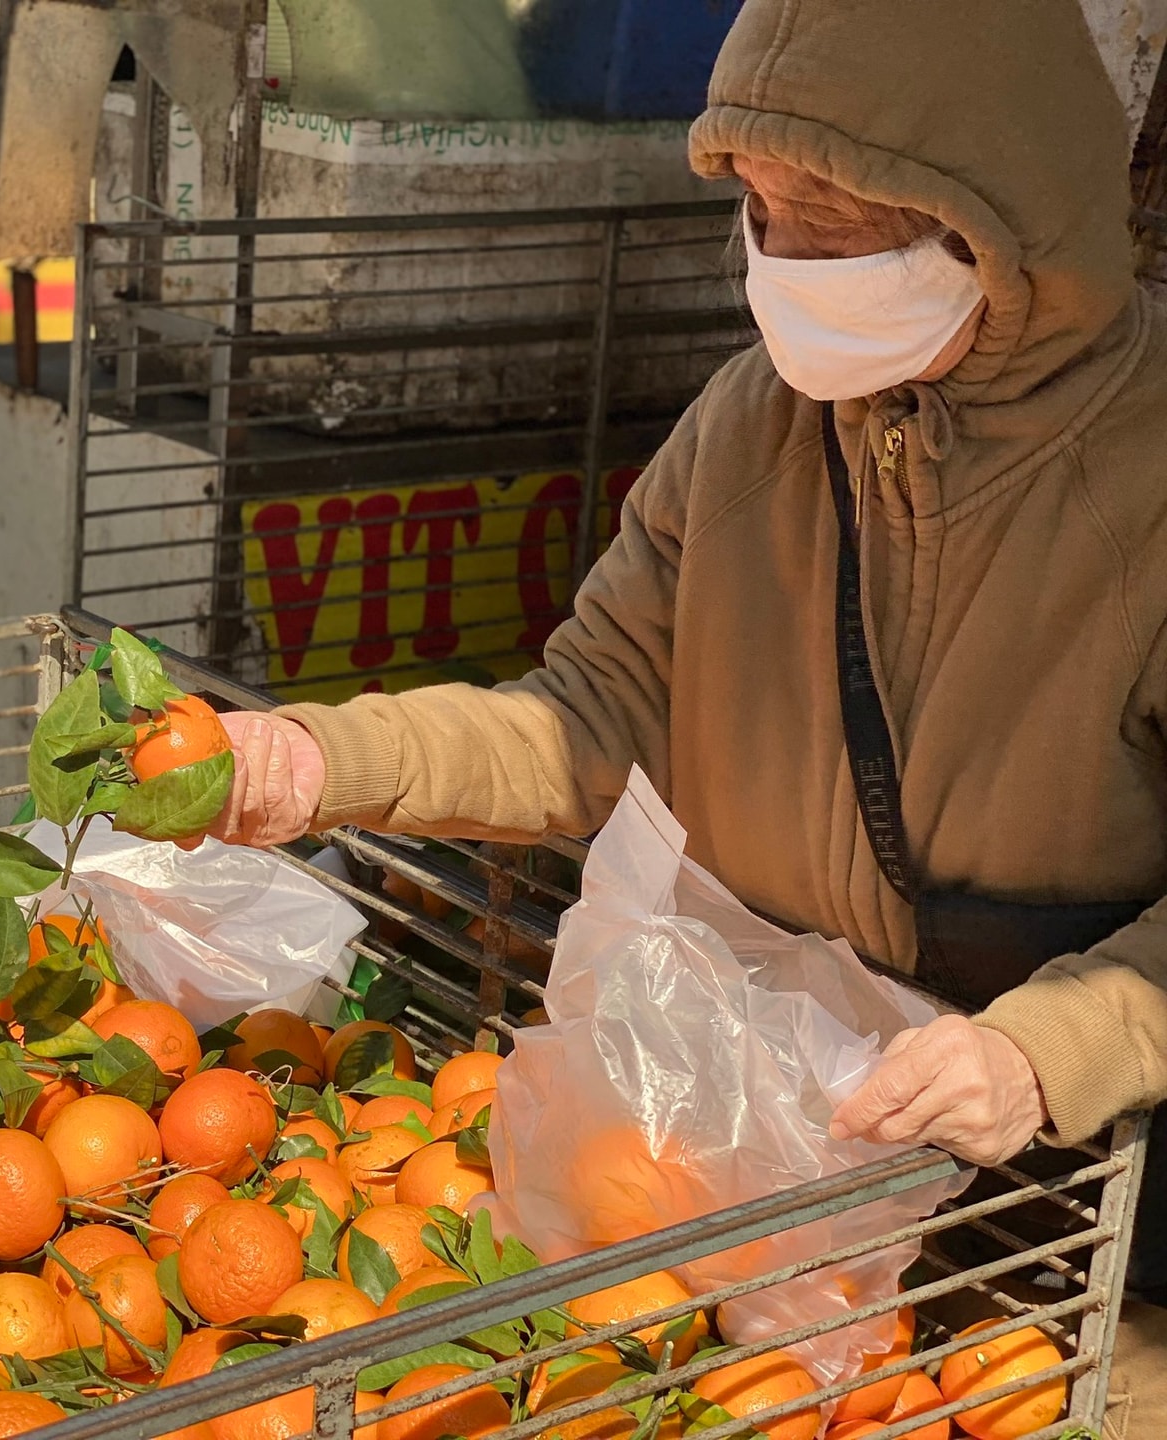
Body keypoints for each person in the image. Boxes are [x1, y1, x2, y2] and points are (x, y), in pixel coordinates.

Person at [208, 0, 1167, 1429]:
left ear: (997, 216)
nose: (782, 264)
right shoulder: (750, 426)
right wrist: (323, 758)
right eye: (763, 213)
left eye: (832, 220)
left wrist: (1047, 1052)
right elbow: (586, 715)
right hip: (764, 1187)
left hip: (1069, 1234)